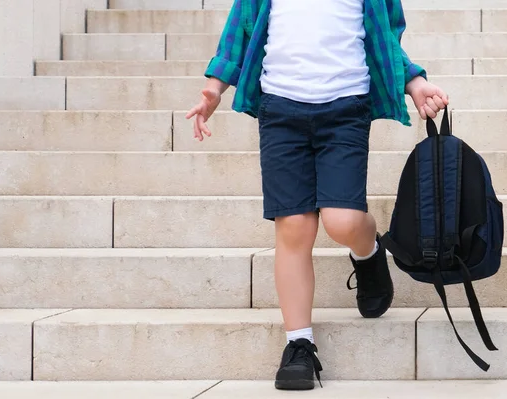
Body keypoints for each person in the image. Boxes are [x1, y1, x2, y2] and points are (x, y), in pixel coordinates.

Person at [187, 0, 449, 391]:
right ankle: (299, 344)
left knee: (341, 222)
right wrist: (213, 90)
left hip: (345, 109)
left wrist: (415, 83)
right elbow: (238, 32)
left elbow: (385, 36)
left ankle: (369, 254)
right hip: (280, 110)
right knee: (294, 226)